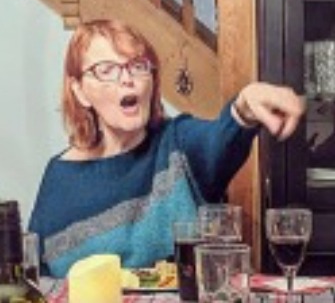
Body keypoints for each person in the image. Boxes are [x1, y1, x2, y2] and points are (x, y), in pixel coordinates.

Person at [28, 19, 305, 278]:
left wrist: (245, 106)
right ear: (79, 91)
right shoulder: (58, 175)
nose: (128, 79)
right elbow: (39, 277)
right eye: (106, 70)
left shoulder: (179, 144)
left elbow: (225, 135)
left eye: (138, 65)